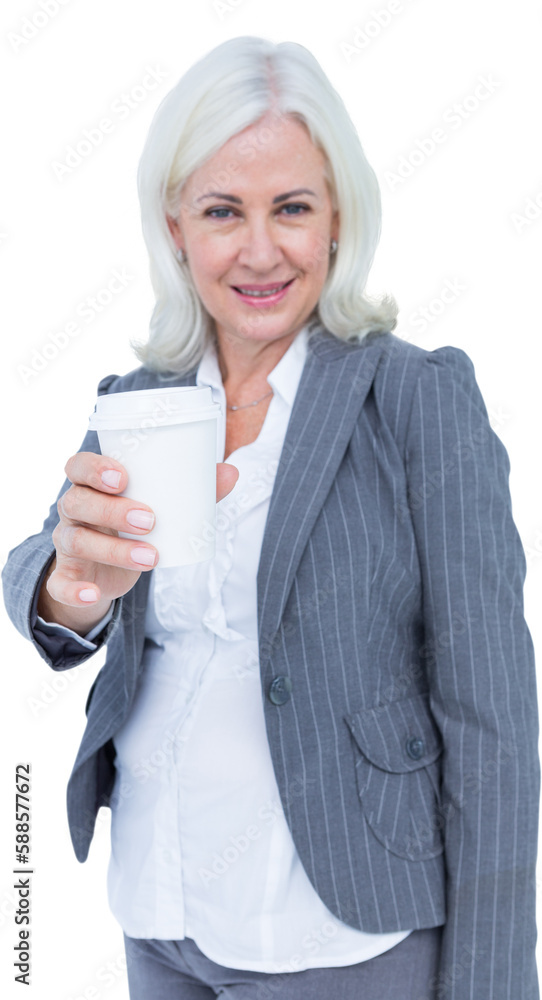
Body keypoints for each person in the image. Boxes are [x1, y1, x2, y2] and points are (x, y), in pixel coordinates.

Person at [2, 34, 539, 1000]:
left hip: (334, 934)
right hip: (158, 917)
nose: (260, 250)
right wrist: (73, 582)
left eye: (291, 207)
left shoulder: (416, 400)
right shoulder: (141, 399)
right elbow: (47, 569)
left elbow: (494, 721)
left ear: (338, 217)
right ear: (175, 227)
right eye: (222, 211)